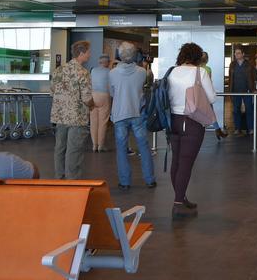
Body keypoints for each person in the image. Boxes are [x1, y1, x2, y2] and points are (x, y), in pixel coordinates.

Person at [166, 42, 217, 218]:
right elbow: (212, 98)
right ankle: (178, 204)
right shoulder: (200, 73)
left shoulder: (171, 72)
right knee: (186, 163)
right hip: (192, 121)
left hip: (173, 120)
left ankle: (181, 197)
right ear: (197, 57)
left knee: (176, 161)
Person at [109, 42, 156, 190]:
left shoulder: (112, 73)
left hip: (120, 114)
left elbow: (112, 93)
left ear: (119, 55)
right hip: (137, 113)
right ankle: (150, 180)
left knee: (121, 148)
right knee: (144, 146)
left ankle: (125, 182)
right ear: (134, 54)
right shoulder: (141, 72)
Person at [50, 40, 95, 180]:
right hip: (77, 118)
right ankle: (72, 181)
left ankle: (60, 178)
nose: (90, 54)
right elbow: (87, 98)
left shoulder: (58, 70)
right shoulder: (83, 72)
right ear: (81, 53)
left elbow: (52, 91)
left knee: (60, 148)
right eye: (88, 52)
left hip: (60, 116)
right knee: (74, 150)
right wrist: (93, 105)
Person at [228, 47, 256, 136]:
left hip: (247, 91)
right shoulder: (232, 64)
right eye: (235, 53)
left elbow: (253, 77)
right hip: (235, 91)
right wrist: (230, 91)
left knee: (249, 110)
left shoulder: (249, 64)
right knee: (236, 110)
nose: (236, 55)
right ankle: (237, 128)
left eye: (238, 53)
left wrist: (253, 89)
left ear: (243, 54)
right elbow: (230, 79)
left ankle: (250, 128)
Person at [90, 55, 112, 152]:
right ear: (106, 62)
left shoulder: (93, 70)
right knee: (103, 122)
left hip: (93, 96)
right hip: (104, 96)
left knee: (93, 121)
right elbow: (111, 86)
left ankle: (94, 145)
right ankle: (101, 145)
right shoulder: (109, 72)